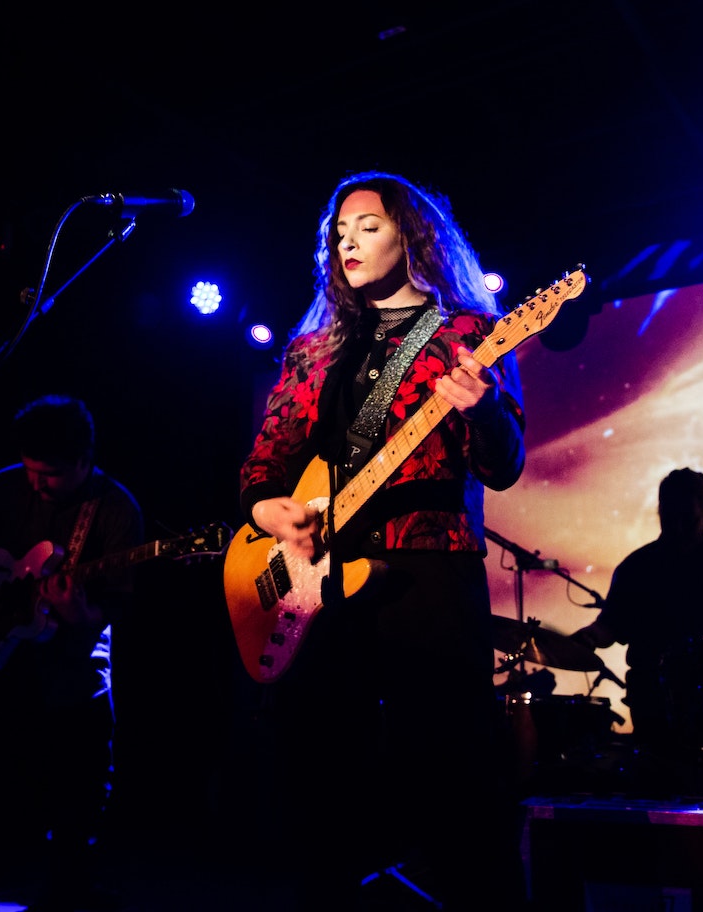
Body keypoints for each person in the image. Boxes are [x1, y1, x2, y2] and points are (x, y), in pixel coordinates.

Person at [236, 171, 528, 910]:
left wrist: (484, 410)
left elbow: (502, 467)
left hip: (429, 576)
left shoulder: (468, 335)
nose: (349, 243)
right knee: (318, 779)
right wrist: (270, 511)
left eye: (368, 227)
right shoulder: (314, 350)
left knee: (455, 772)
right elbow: (264, 464)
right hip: (319, 583)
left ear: (413, 236)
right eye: (340, 232)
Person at [0, 394, 145, 912]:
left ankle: (64, 895)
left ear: (84, 460)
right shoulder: (2, 488)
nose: (36, 484)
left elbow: (121, 606)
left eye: (50, 475)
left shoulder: (116, 510)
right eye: (31, 470)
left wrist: (80, 613)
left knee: (78, 795)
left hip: (73, 673)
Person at [569, 468, 703, 793]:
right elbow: (610, 625)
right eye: (672, 519)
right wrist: (588, 637)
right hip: (655, 707)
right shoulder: (638, 567)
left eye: (689, 519)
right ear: (661, 513)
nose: (680, 528)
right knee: (662, 788)